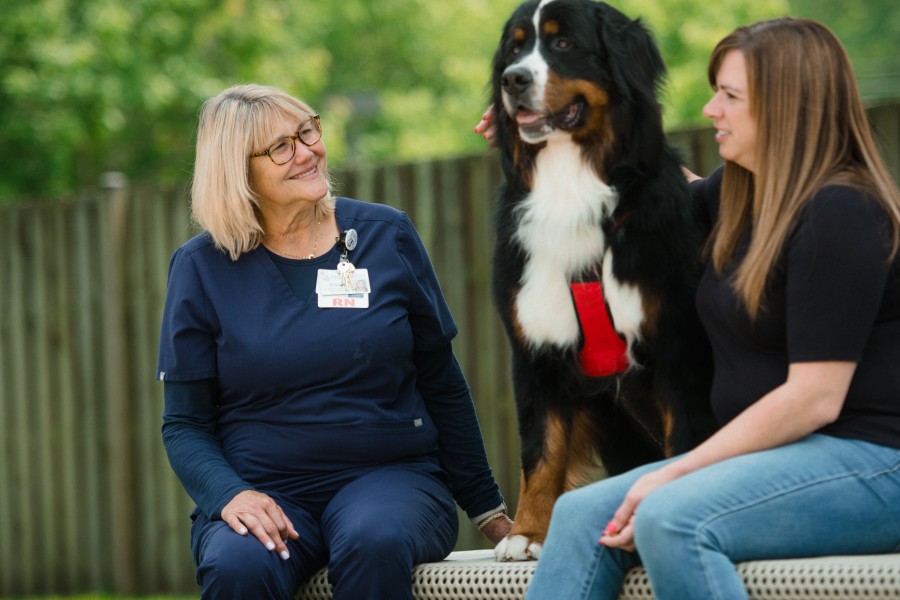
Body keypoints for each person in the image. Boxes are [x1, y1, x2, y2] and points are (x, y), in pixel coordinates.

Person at [477, 17, 900, 599]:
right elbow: (639, 182)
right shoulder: (740, 194)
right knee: (576, 518)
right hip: (778, 460)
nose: (709, 110)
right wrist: (545, 129)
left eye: (728, 96)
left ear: (786, 106)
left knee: (671, 517)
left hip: (873, 462)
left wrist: (676, 472)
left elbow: (813, 399)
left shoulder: (842, 211)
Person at [157, 83, 513, 600]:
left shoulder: (385, 234)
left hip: (392, 480)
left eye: (308, 131)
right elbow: (184, 423)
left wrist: (489, 511)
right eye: (281, 146)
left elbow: (442, 380)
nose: (307, 152)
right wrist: (231, 495)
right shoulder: (201, 267)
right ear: (238, 170)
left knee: (373, 540)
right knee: (237, 566)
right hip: (267, 490)